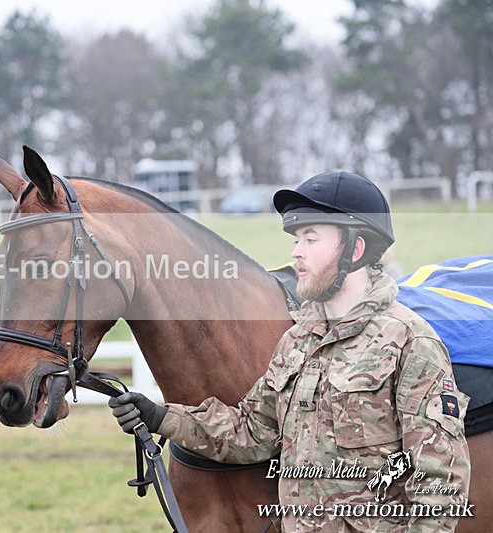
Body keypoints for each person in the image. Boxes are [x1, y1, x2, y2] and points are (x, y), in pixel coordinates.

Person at [110, 171, 471, 532]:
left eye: (310, 239)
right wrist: (163, 418)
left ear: (356, 249)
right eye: (297, 239)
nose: (296, 253)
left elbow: (440, 485)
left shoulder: (410, 343)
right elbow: (252, 432)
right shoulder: (297, 341)